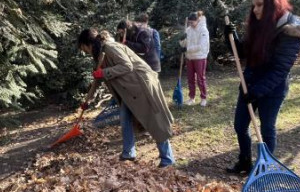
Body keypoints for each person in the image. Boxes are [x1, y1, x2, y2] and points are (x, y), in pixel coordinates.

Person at [224, 0, 300, 174]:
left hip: (273, 88)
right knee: (240, 125)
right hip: (249, 82)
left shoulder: (291, 30)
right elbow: (243, 52)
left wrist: (257, 91)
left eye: (260, 5)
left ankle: (265, 167)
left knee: (267, 128)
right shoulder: (259, 24)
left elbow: (280, 69)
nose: (256, 10)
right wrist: (231, 37)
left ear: (273, 5)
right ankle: (244, 161)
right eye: (254, 5)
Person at [78, 29, 175, 167]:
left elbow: (127, 66)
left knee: (155, 121)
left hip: (141, 85)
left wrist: (104, 72)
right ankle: (128, 153)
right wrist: (87, 100)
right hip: (129, 91)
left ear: (88, 44)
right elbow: (97, 79)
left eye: (84, 48)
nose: (85, 52)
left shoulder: (110, 48)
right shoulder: (99, 54)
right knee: (125, 119)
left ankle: (167, 159)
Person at [180, 11, 210, 106]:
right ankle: (191, 97)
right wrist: (181, 41)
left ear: (197, 20)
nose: (190, 24)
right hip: (189, 57)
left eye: (192, 22)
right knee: (190, 79)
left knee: (200, 79)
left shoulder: (203, 30)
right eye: (189, 22)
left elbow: (202, 46)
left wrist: (187, 49)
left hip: (200, 57)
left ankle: (203, 98)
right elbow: (184, 44)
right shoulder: (188, 30)